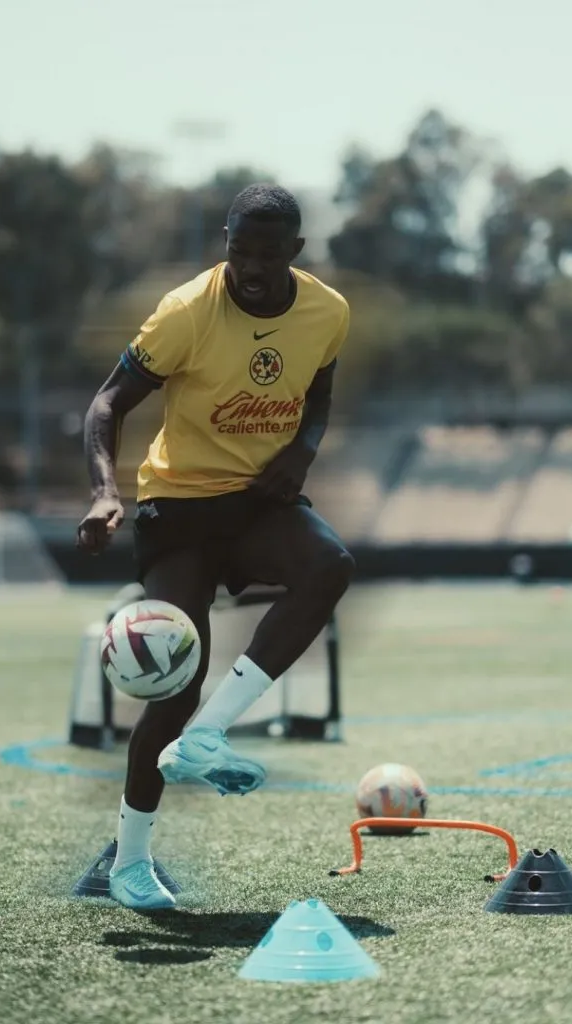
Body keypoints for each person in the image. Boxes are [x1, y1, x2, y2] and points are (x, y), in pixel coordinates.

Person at [77, 183, 354, 909]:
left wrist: (304, 450)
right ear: (226, 244)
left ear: (295, 252)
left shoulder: (328, 311)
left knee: (329, 566)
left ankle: (207, 738)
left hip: (262, 501)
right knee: (173, 678)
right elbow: (107, 402)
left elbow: (318, 388)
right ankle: (130, 863)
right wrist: (108, 492)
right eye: (240, 252)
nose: (252, 269)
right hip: (181, 509)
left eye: (269, 255)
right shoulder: (186, 312)